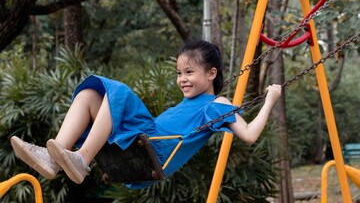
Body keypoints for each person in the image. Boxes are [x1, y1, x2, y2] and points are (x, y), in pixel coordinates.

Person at [11, 40, 281, 189]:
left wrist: (270, 98)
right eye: (179, 73)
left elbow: (249, 134)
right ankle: (53, 158)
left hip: (154, 146)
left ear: (211, 74)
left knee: (119, 92)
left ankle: (81, 159)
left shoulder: (218, 103)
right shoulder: (189, 104)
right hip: (142, 140)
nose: (182, 79)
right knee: (89, 95)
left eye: (189, 72)